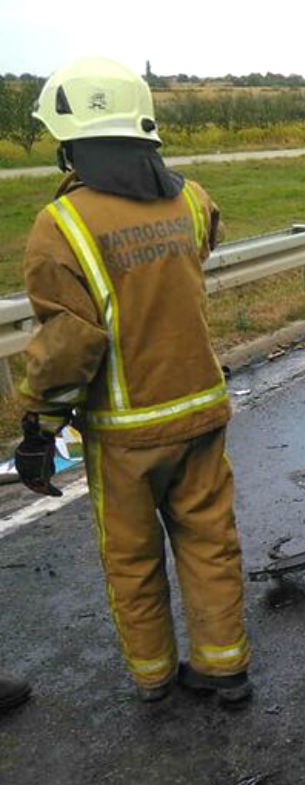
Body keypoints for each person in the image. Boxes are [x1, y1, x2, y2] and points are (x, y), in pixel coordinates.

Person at [15, 56, 251, 705]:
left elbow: (67, 346)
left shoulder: (60, 225)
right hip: (202, 409)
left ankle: (153, 676)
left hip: (126, 431)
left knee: (133, 559)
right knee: (209, 541)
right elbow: (189, 257)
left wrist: (38, 424)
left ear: (71, 139)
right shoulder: (191, 198)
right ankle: (224, 666)